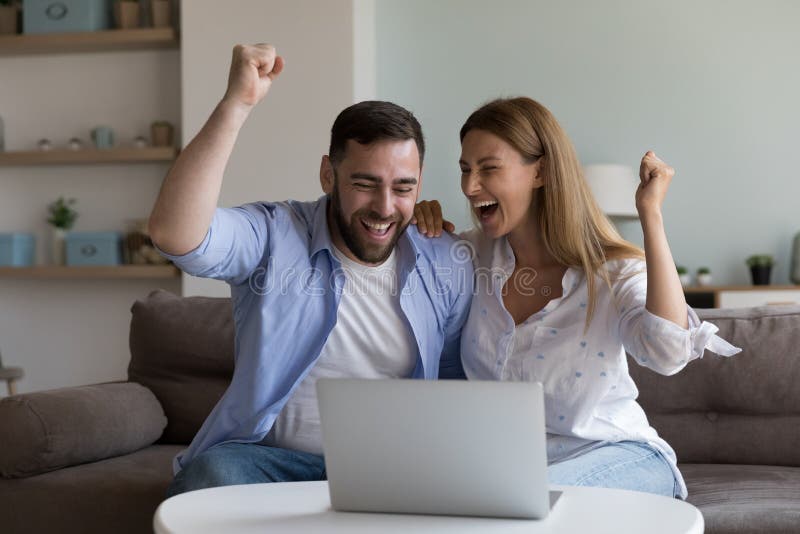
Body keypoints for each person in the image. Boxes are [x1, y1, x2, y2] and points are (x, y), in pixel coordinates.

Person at [148, 44, 473, 497]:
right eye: (365, 184)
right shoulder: (274, 235)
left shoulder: (443, 259)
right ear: (328, 175)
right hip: (269, 463)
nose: (384, 207)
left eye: (403, 188)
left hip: (390, 467)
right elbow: (174, 233)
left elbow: (457, 381)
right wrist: (236, 106)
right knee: (211, 477)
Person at [412, 96, 740, 499]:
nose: (469, 186)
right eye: (465, 169)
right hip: (512, 470)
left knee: (527, 499)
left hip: (620, 456)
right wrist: (411, 223)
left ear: (541, 171)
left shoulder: (612, 272)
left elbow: (668, 353)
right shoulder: (465, 259)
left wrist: (650, 213)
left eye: (489, 169)